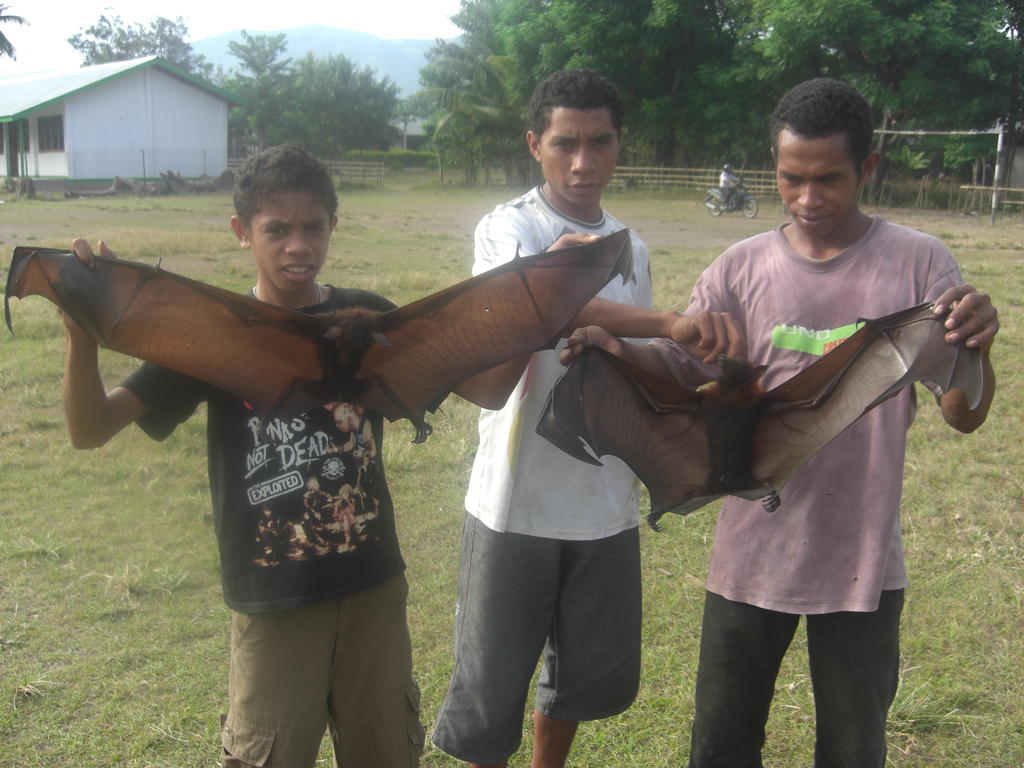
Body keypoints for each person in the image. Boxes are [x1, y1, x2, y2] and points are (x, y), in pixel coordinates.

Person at [561, 77, 998, 767]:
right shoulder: (741, 268)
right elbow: (678, 369)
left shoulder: (918, 264)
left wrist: (978, 347)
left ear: (868, 167)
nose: (807, 199)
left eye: (829, 180)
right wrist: (614, 349)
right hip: (750, 554)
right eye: (791, 179)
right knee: (721, 744)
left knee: (853, 749)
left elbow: (963, 414)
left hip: (860, 559)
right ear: (774, 166)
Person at [61, 145, 425, 768]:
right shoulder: (215, 334)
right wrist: (82, 334)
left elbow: (476, 382)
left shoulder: (366, 319)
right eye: (276, 230)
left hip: (372, 587)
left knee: (387, 748)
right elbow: (90, 429)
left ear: (333, 226)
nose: (297, 247)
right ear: (241, 232)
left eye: (313, 228)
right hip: (274, 596)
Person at [431, 69, 742, 768]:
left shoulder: (632, 248)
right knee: (492, 687)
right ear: (534, 144)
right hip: (514, 498)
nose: (583, 161)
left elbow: (637, 358)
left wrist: (656, 352)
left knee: (576, 680)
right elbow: (536, 304)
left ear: (618, 144)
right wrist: (668, 321)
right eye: (565, 143)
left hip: (603, 498)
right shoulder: (511, 227)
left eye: (599, 142)